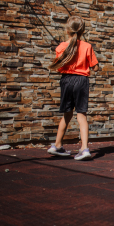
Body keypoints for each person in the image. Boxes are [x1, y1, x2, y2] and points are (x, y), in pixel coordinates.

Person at [47, 16, 99, 161]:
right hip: (82, 81)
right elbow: (96, 68)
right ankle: (84, 148)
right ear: (82, 31)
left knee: (67, 114)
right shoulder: (87, 46)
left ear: (67, 30)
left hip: (66, 80)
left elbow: (59, 68)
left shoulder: (61, 47)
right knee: (81, 115)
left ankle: (57, 145)